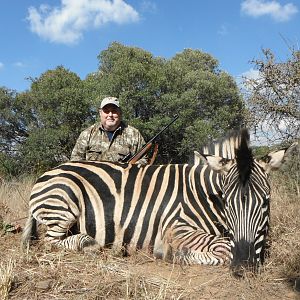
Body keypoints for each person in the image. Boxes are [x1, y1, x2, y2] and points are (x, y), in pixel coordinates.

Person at [70, 96, 148, 165]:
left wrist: (130, 168)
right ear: (100, 113)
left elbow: (145, 159)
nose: (110, 115)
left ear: (120, 113)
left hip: (123, 180)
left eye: (114, 111)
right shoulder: (87, 134)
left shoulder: (134, 134)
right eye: (106, 111)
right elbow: (75, 160)